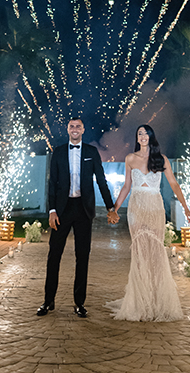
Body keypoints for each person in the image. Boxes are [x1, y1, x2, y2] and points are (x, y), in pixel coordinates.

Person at [107, 124, 190, 321]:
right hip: (136, 208)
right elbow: (127, 186)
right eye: (139, 133)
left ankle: (156, 299)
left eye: (146, 133)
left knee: (155, 252)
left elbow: (173, 184)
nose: (143, 136)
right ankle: (139, 301)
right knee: (139, 251)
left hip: (155, 208)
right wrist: (115, 209)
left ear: (151, 137)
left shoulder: (160, 159)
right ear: (137, 138)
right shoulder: (130, 158)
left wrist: (186, 208)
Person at [37, 117, 118, 318]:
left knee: (82, 257)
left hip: (83, 210)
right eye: (71, 126)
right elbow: (52, 183)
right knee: (54, 255)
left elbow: (101, 180)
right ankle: (48, 301)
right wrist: (52, 210)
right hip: (62, 211)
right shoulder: (58, 151)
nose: (74, 129)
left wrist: (110, 207)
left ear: (83, 130)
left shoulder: (91, 152)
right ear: (68, 129)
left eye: (78, 127)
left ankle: (79, 303)